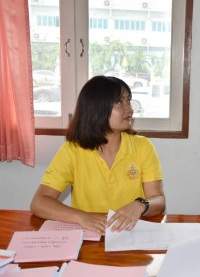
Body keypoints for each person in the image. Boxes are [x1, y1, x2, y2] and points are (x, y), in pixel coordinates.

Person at [30, 75, 165, 234]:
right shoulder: (72, 150)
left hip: (130, 233)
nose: (129, 108)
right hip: (89, 234)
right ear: (97, 108)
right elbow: (39, 202)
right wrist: (82, 217)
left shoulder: (142, 146)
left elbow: (158, 200)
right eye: (120, 102)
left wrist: (140, 204)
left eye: (128, 100)